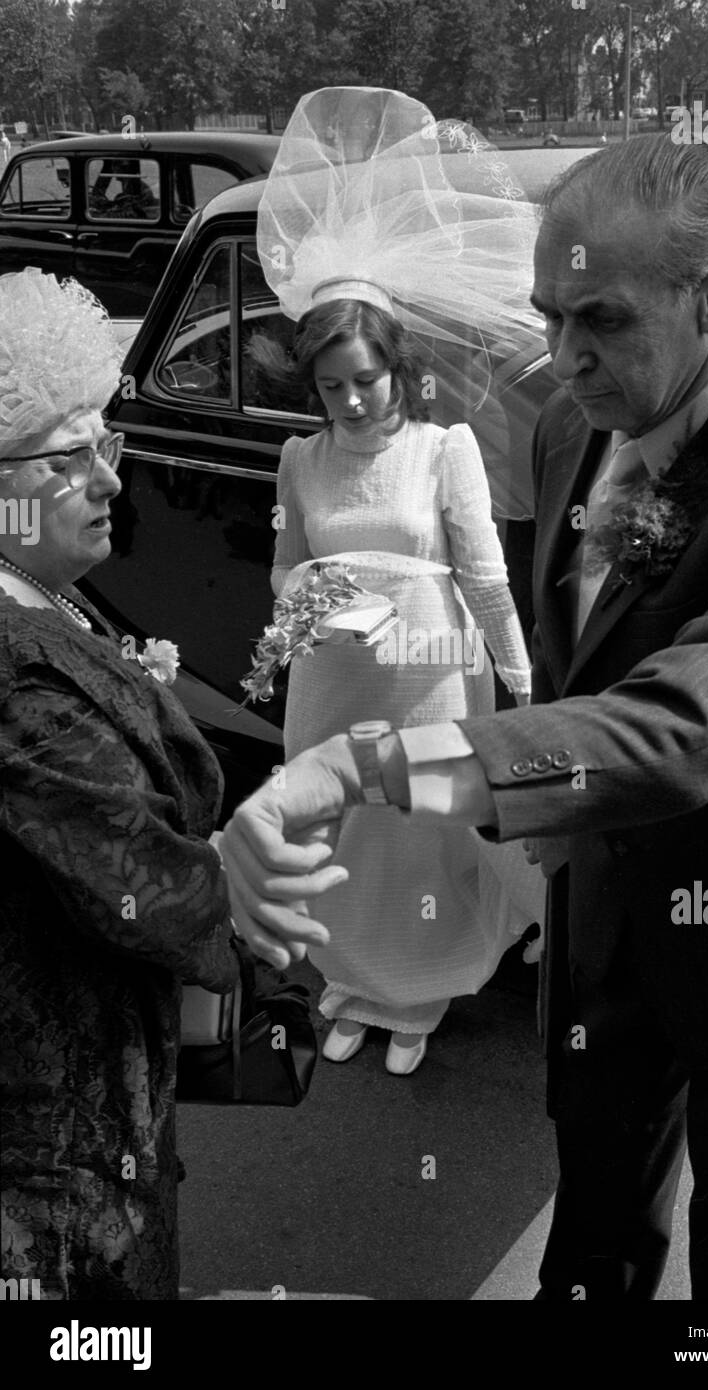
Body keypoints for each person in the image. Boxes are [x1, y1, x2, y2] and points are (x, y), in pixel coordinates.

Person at [221, 134, 708, 1300]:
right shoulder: (574, 424)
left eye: (600, 320)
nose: (560, 357)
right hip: (604, 917)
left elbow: (681, 724)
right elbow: (570, 661)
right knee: (595, 1228)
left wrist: (362, 764)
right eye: (545, 314)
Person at [258, 88, 541, 1076]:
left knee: (419, 832)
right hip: (334, 673)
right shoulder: (299, 458)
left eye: (364, 380)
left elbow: (485, 573)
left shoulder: (444, 449)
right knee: (342, 826)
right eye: (330, 383)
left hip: (429, 666)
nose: (347, 398)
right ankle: (352, 977)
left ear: (395, 368)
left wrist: (519, 680)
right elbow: (287, 568)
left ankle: (417, 992)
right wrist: (299, 618)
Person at [0, 268, 238, 1299]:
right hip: (58, 1189)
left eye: (110, 444)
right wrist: (269, 870)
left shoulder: (50, 596)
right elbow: (153, 894)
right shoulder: (11, 671)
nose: (110, 481)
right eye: (70, 457)